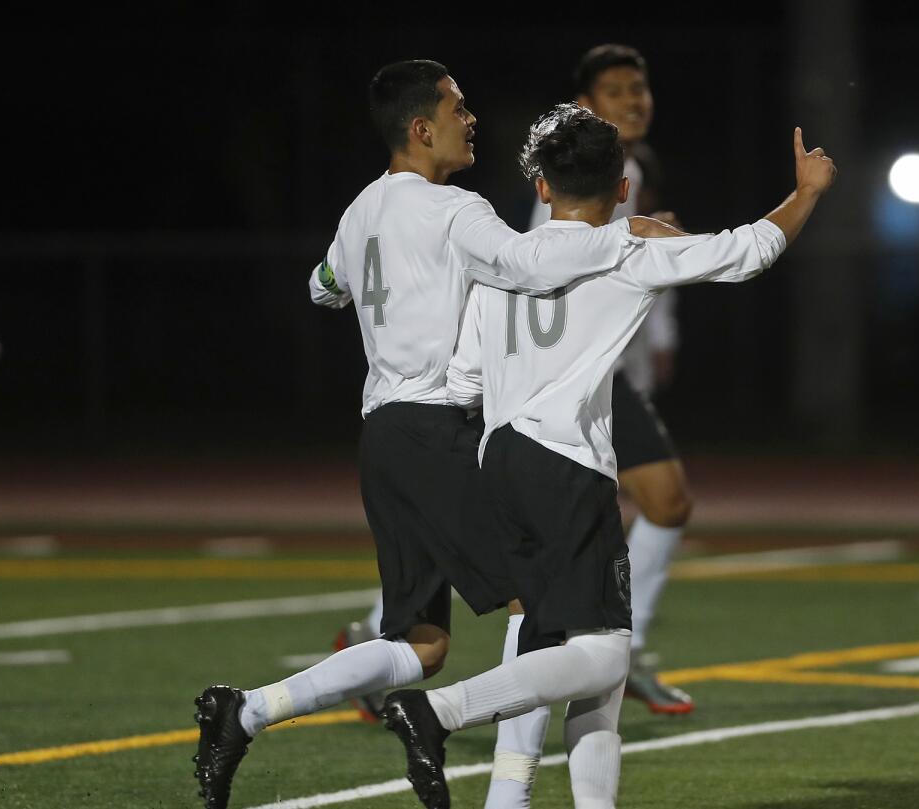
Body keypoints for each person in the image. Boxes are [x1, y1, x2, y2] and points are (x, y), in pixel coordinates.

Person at [191, 60, 673, 809]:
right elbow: (529, 262)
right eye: (457, 107)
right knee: (537, 604)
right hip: (436, 427)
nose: (469, 118)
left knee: (422, 646)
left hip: (381, 437)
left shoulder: (359, 211)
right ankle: (507, 800)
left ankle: (245, 710)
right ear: (422, 129)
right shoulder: (456, 210)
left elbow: (322, 285)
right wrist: (627, 234)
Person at [382, 104, 836, 809]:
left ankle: (521, 798)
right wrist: (806, 191)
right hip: (567, 468)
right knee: (605, 654)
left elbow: (464, 379)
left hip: (498, 460)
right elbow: (749, 251)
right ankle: (437, 712)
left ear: (541, 189)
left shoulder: (498, 255)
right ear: (622, 186)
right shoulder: (626, 248)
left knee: (571, 658)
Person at [529, 44, 696, 719]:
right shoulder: (582, 167)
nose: (634, 99)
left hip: (597, 368)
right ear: (583, 107)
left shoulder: (630, 164)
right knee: (544, 535)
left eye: (640, 86)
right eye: (616, 90)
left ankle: (614, 654)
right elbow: (559, 258)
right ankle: (387, 641)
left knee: (639, 508)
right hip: (571, 368)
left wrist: (659, 334)